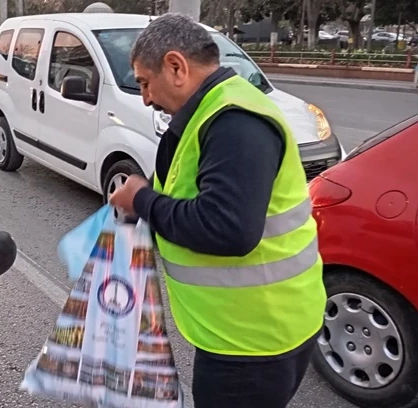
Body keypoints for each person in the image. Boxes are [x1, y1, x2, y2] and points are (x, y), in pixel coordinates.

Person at [108, 14, 326, 408]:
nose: (144, 97)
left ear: (176, 66)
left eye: (144, 82)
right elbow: (191, 195)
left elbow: (228, 229)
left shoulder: (234, 122)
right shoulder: (209, 113)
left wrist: (142, 200)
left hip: (253, 341)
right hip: (250, 330)